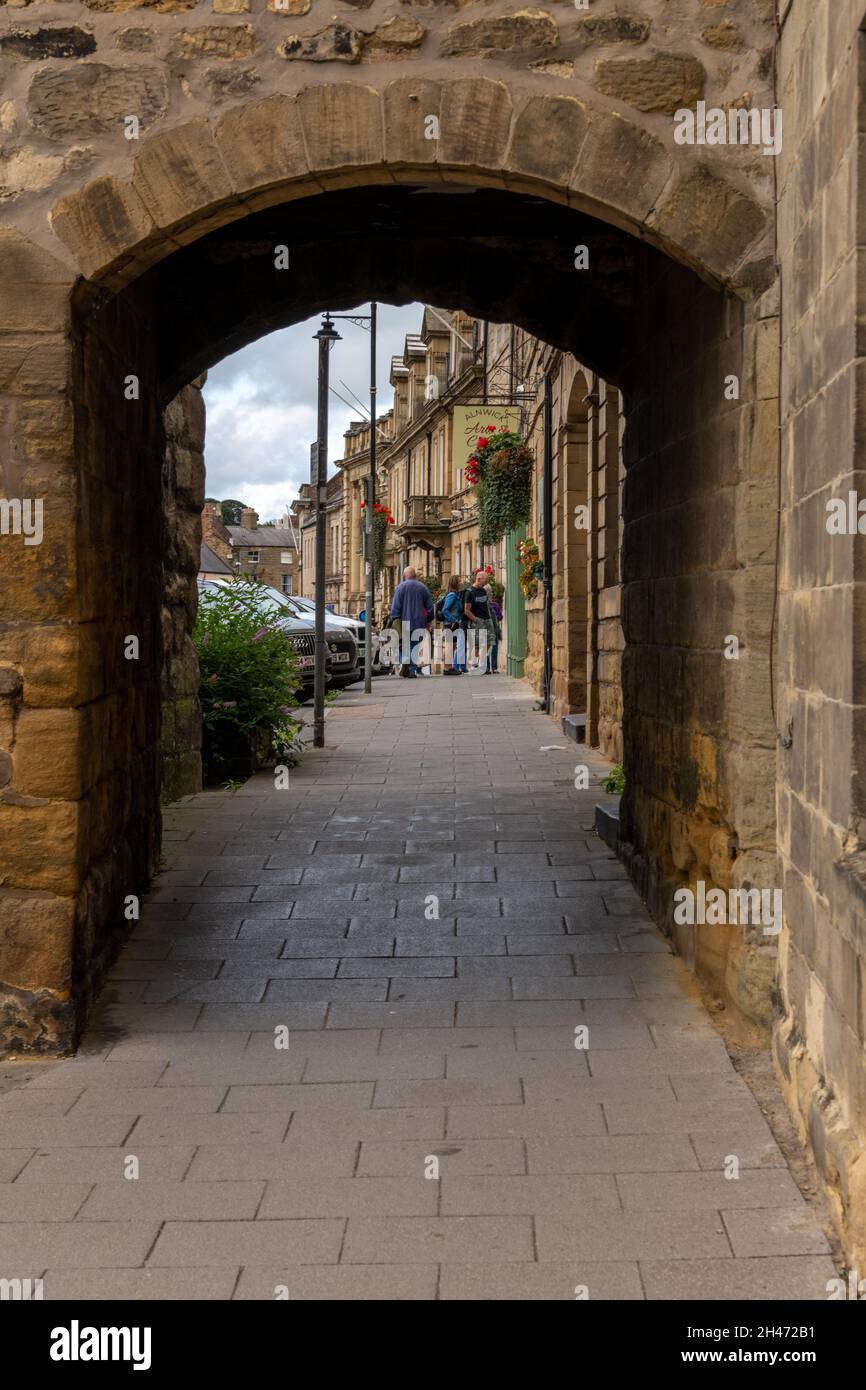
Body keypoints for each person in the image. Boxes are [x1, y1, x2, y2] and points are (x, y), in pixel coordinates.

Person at [389, 566, 433, 678]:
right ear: (415, 575)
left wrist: (395, 619)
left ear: (405, 575)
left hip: (404, 622)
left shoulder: (400, 588)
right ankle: (412, 670)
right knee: (415, 647)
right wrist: (429, 620)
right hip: (419, 621)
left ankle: (406, 664)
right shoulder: (423, 588)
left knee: (403, 645)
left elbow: (395, 608)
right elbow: (430, 607)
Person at [462, 570, 497, 673]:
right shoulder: (469, 592)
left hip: (487, 619)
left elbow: (486, 605)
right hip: (478, 620)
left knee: (490, 642)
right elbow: (466, 611)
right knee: (478, 644)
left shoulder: (483, 590)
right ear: (478, 579)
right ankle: (477, 664)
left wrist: (489, 617)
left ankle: (482, 663)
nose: (487, 582)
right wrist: (476, 620)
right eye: (485, 580)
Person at [440, 575, 466, 674]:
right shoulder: (452, 595)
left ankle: (449, 667)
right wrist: (454, 620)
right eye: (459, 581)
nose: (461, 583)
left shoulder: (455, 595)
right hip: (450, 624)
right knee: (450, 646)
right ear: (454, 583)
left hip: (453, 624)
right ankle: (447, 668)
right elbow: (445, 610)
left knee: (452, 645)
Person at [488, 591, 503, 674]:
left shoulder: (495, 605)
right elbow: (500, 616)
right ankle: (490, 667)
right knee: (490, 648)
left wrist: (495, 617)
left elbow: (500, 616)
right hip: (489, 628)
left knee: (493, 648)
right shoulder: (486, 606)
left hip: (494, 629)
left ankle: (492, 667)